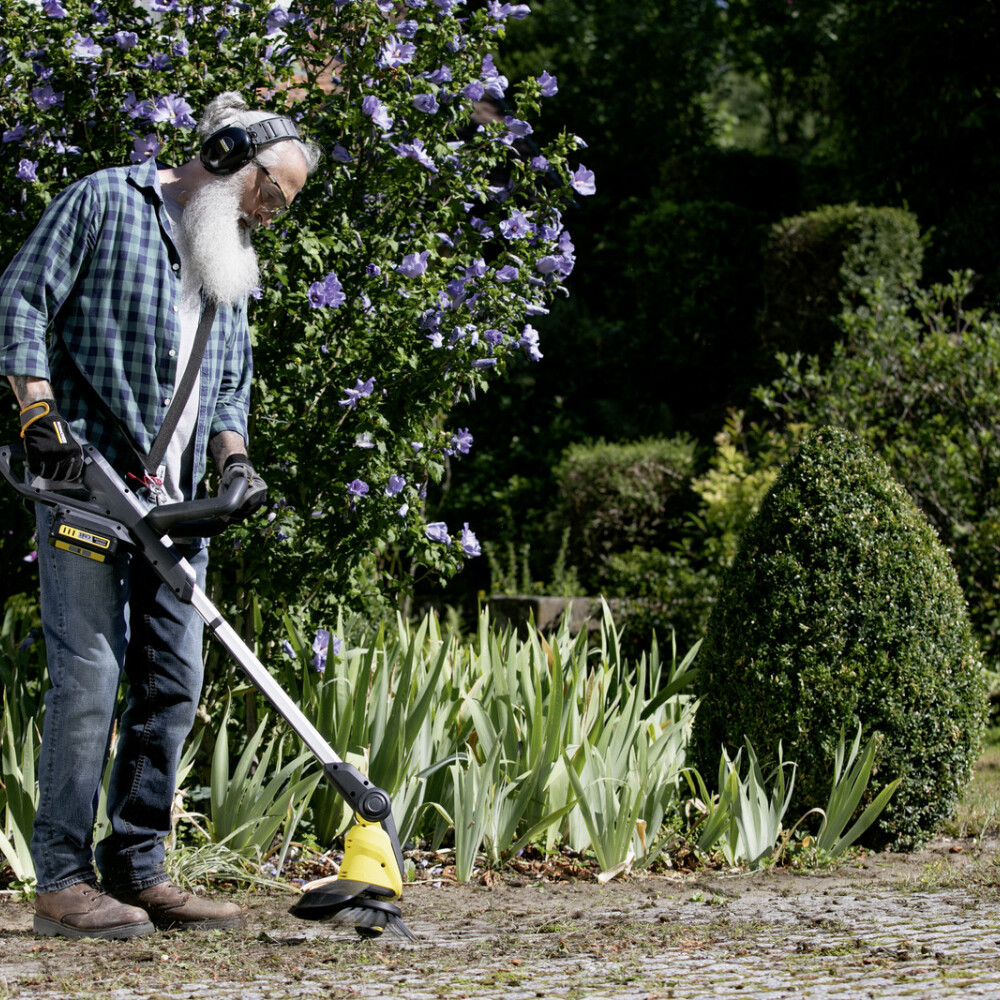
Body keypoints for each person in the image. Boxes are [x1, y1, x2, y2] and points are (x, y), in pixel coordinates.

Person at [0, 92, 320, 939]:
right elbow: (22, 298)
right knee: (91, 678)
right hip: (88, 487)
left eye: (282, 204)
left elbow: (229, 384)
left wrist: (236, 464)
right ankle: (62, 884)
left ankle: (138, 871)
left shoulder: (230, 252)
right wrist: (39, 416)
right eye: (272, 192)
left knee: (173, 685)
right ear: (223, 154)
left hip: (177, 508)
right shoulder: (106, 200)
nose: (271, 212)